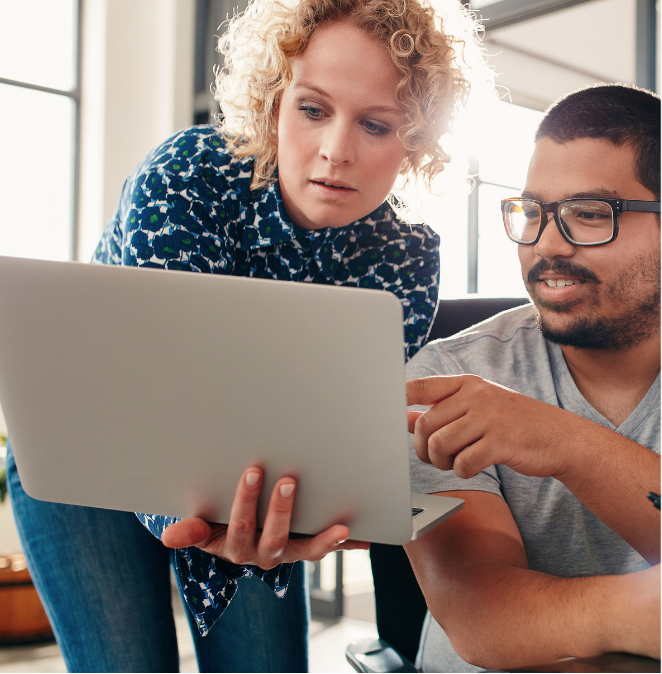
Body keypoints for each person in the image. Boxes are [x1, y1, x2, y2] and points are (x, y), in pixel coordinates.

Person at [7, 0, 489, 671]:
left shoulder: (404, 255)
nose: (335, 151)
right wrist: (216, 524)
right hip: (86, 453)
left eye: (376, 124)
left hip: (256, 495)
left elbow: (332, 432)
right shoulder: (187, 176)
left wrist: (317, 517)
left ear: (417, 143)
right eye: (313, 109)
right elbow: (158, 391)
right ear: (272, 102)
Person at [404, 83, 661, 672]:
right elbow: (476, 611)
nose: (545, 244)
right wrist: (631, 616)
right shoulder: (448, 376)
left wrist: (563, 443)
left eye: (590, 214)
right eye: (532, 213)